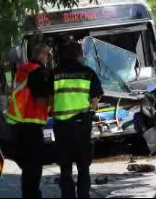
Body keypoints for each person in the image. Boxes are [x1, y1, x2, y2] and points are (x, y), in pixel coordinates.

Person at [51, 41, 103, 198]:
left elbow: (48, 99)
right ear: (80, 54)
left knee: (65, 167)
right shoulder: (88, 73)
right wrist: (90, 112)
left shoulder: (54, 74)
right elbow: (95, 98)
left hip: (61, 126)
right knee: (83, 166)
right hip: (82, 125)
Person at [8, 43, 52, 198]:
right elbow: (41, 100)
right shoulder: (38, 73)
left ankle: (29, 193)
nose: (48, 58)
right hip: (31, 126)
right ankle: (32, 195)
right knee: (34, 166)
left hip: (18, 123)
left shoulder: (23, 69)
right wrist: (52, 104)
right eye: (47, 55)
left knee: (27, 166)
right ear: (41, 55)